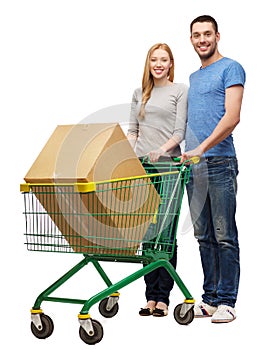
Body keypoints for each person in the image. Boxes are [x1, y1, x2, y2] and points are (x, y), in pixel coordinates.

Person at [181, 15, 246, 323]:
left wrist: (202, 148)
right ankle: (209, 299)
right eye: (197, 35)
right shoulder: (193, 77)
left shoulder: (231, 68)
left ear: (217, 36)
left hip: (219, 163)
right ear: (191, 39)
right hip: (193, 167)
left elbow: (232, 117)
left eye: (207, 34)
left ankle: (227, 301)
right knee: (203, 235)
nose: (202, 39)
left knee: (224, 235)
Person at [127, 43, 188, 317]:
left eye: (164, 59)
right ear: (148, 63)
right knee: (147, 232)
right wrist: (128, 157)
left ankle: (163, 297)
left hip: (169, 168)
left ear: (171, 63)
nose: (159, 64)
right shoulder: (139, 93)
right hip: (143, 168)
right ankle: (149, 296)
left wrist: (161, 151)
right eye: (154, 59)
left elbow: (179, 131)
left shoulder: (179, 91)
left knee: (166, 232)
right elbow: (133, 130)